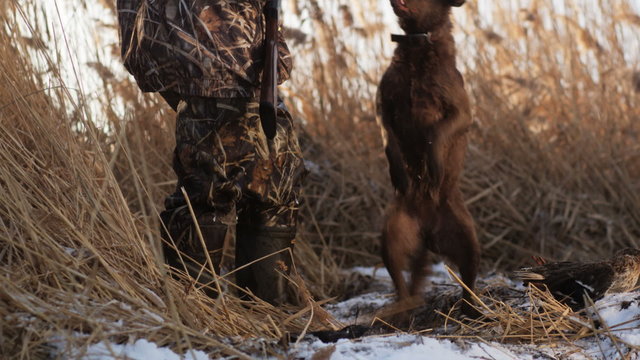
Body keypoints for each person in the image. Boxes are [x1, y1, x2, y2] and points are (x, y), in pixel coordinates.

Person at [116, 0, 306, 304]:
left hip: (191, 42)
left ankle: (207, 312)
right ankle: (231, 313)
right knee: (239, 187)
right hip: (218, 40)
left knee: (239, 179)